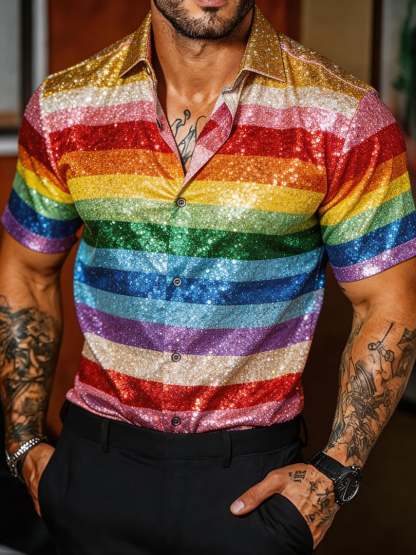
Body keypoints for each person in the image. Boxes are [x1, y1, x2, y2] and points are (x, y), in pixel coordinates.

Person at [1, 1, 416, 554]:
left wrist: (336, 472)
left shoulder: (343, 114)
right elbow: (28, 270)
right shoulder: (63, 106)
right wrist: (22, 442)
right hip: (93, 471)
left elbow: (386, 300)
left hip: (251, 486)